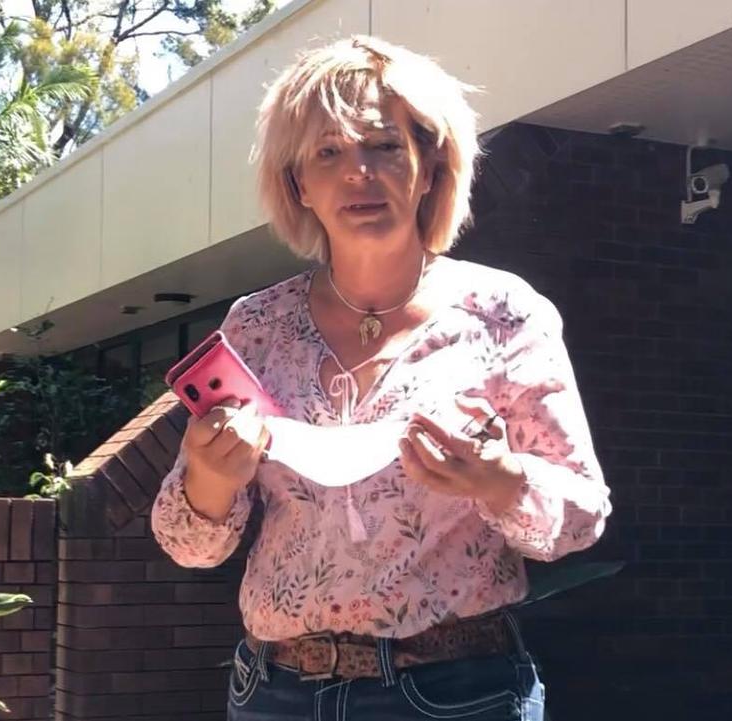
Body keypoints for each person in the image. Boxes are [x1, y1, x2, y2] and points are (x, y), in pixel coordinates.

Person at [150, 35, 612, 721]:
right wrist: (212, 477)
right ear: (298, 182)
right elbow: (188, 543)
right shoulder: (257, 325)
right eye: (328, 152)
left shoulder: (503, 314)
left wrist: (497, 479)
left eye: (384, 147)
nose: (357, 173)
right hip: (276, 694)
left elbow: (581, 515)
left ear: (429, 165)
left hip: (457, 692)